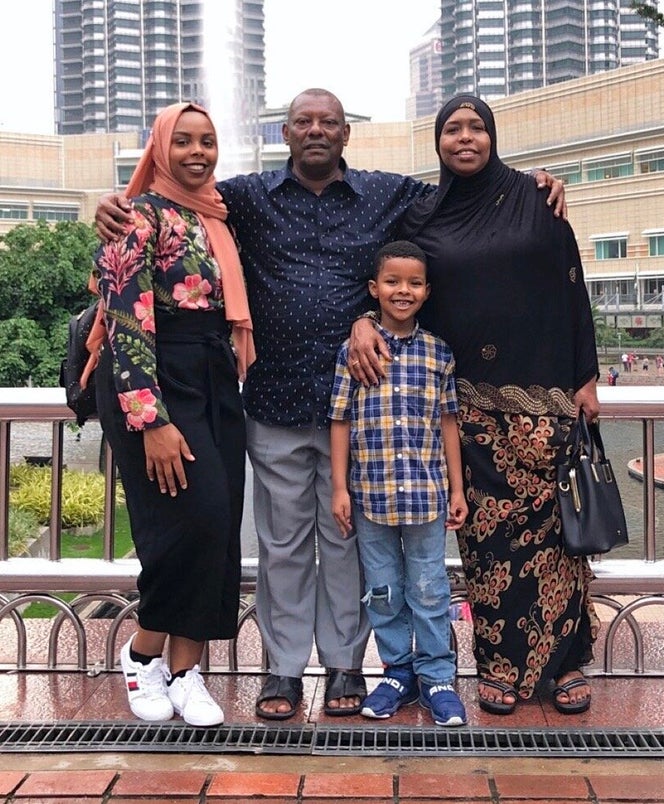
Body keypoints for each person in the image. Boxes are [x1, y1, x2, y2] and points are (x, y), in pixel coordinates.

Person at [94, 88, 567, 721]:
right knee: (282, 544)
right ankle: (284, 669)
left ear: (346, 134)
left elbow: (465, 194)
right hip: (274, 400)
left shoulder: (385, 194)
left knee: (347, 544)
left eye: (329, 123)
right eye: (303, 123)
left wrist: (530, 185)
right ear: (284, 134)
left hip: (361, 408)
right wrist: (112, 204)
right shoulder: (246, 198)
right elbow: (179, 193)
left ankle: (345, 663)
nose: (316, 131)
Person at [350, 95, 600, 717]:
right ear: (438, 142)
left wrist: (586, 376)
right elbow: (389, 281)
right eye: (452, 130)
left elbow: (573, 285)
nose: (465, 139)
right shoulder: (423, 213)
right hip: (468, 411)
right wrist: (361, 321)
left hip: (544, 400)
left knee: (554, 537)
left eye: (476, 129)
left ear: (493, 136)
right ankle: (500, 668)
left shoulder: (536, 199)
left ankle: (565, 663)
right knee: (489, 545)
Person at [93, 102, 254, 727]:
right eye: (182, 141)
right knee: (186, 523)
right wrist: (151, 420)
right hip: (156, 375)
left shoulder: (217, 214)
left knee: (217, 524)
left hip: (213, 373)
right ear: (160, 148)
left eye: (207, 141)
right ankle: (142, 654)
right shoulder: (135, 218)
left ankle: (186, 671)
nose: (197, 152)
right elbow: (125, 321)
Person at [328, 240, 468, 727]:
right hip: (372, 495)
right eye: (392, 282)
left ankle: (438, 677)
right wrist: (340, 488)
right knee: (384, 588)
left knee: (429, 587)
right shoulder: (356, 351)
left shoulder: (438, 354)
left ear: (427, 291)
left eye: (413, 283)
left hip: (427, 496)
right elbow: (339, 420)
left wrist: (457, 489)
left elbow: (448, 421)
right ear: (374, 289)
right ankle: (396, 672)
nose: (402, 291)